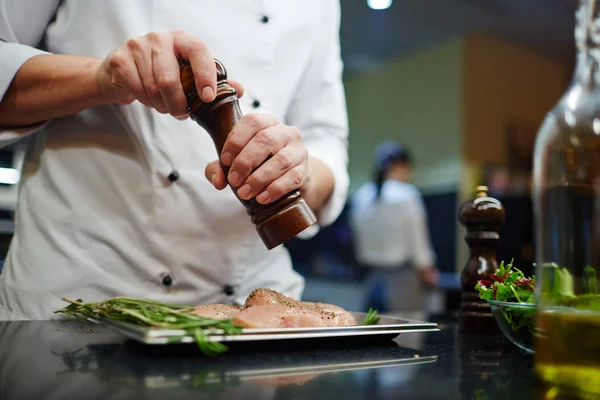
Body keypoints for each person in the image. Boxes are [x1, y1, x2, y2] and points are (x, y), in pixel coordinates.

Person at [0, 1, 349, 320]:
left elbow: (326, 140)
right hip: (80, 297)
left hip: (254, 309)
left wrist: (296, 174)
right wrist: (102, 78)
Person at [350, 141, 438, 319]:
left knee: (370, 338)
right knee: (407, 340)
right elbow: (418, 241)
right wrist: (427, 269)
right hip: (402, 281)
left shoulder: (361, 196)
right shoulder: (407, 194)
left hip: (371, 281)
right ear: (402, 166)